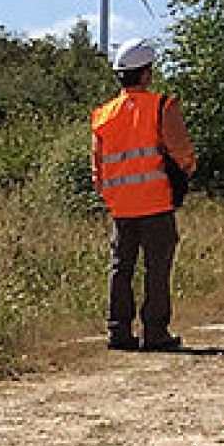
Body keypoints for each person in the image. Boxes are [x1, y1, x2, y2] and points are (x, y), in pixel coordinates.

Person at [91, 37, 197, 352]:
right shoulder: (162, 106)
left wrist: (110, 195)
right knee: (157, 267)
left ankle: (118, 332)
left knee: (120, 267)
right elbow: (181, 150)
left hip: (120, 208)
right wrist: (186, 170)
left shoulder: (103, 115)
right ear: (147, 74)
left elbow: (97, 166)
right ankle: (155, 332)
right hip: (156, 201)